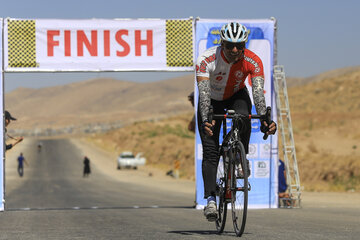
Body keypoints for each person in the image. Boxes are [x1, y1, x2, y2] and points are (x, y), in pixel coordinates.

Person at [196, 22, 277, 221]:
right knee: (211, 150)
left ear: (244, 44)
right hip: (212, 100)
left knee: (244, 115)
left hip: (236, 95)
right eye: (230, 45)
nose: (235, 50)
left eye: (239, 45)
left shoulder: (253, 61)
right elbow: (204, 95)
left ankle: (240, 156)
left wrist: (266, 119)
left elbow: (258, 94)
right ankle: (211, 200)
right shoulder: (206, 59)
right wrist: (207, 118)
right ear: (222, 43)